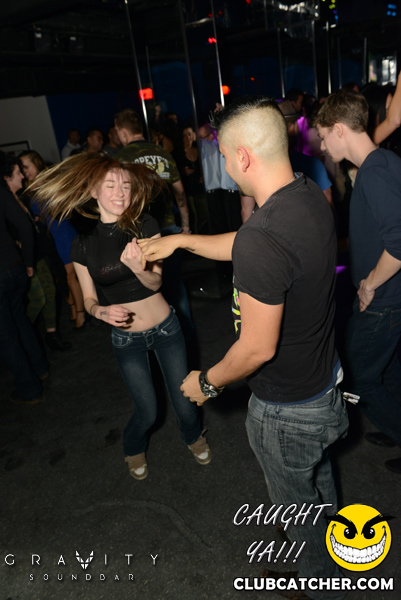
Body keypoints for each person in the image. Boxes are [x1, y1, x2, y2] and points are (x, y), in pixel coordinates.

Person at [139, 96, 348, 600]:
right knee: (319, 486)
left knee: (297, 514)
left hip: (285, 408)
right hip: (324, 385)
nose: (226, 169)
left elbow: (255, 349)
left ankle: (321, 582)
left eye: (225, 157)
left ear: (244, 157)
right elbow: (252, 241)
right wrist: (182, 241)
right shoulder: (306, 196)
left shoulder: (264, 235)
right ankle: (337, 556)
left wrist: (205, 383)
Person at [33, 153, 210, 480]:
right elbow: (88, 300)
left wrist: (137, 269)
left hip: (166, 329)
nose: (120, 192)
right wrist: (100, 311)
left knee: (185, 401)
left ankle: (193, 435)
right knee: (148, 411)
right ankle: (132, 445)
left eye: (126, 185)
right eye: (110, 185)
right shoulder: (82, 245)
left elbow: (156, 282)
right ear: (93, 192)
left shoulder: (146, 226)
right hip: (127, 340)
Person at [315, 89, 401, 475]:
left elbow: (398, 243)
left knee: (361, 378)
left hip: (382, 299)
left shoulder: (376, 171)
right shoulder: (383, 161)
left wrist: (369, 285)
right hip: (391, 297)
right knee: (390, 370)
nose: (322, 145)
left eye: (323, 136)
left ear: (339, 129)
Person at [114, 108, 194, 340]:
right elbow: (180, 194)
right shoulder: (162, 153)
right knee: (176, 287)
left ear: (122, 131)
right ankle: (185, 337)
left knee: (149, 292)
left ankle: (162, 341)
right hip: (169, 230)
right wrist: (185, 229)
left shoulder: (122, 159)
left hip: (141, 235)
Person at [0, 152, 49, 404]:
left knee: (6, 335)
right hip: (15, 268)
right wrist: (28, 263)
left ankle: (29, 390)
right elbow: (24, 225)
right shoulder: (2, 192)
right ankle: (40, 369)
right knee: (20, 320)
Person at [22, 150, 86, 329]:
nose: (25, 171)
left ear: (36, 163)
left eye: (26, 166)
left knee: (71, 276)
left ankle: (81, 313)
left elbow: (66, 205)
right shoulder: (28, 188)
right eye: (22, 168)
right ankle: (73, 308)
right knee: (62, 277)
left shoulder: (50, 182)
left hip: (63, 233)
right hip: (51, 238)